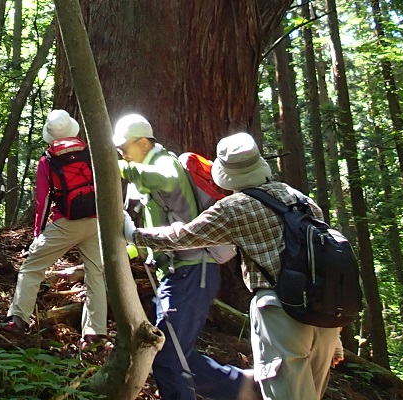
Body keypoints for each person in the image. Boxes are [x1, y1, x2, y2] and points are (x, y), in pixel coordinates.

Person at [126, 133, 341, 400]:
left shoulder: (235, 207)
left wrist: (134, 235)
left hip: (281, 312)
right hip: (326, 315)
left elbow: (183, 237)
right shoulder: (299, 199)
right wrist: (336, 334)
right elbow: (322, 260)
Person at [115, 113, 251, 400]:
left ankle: (242, 387)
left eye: (124, 147)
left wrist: (121, 169)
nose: (122, 153)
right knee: (174, 353)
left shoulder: (164, 163)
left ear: (142, 142)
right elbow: (158, 228)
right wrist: (130, 250)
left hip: (193, 271)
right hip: (179, 273)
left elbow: (165, 180)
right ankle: (242, 387)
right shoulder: (146, 169)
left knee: (166, 356)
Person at [3, 109, 107, 343]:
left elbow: (43, 201)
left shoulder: (47, 160)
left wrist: (38, 234)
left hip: (65, 223)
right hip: (95, 221)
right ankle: (95, 332)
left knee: (31, 268)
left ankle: (19, 319)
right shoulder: (89, 153)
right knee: (95, 275)